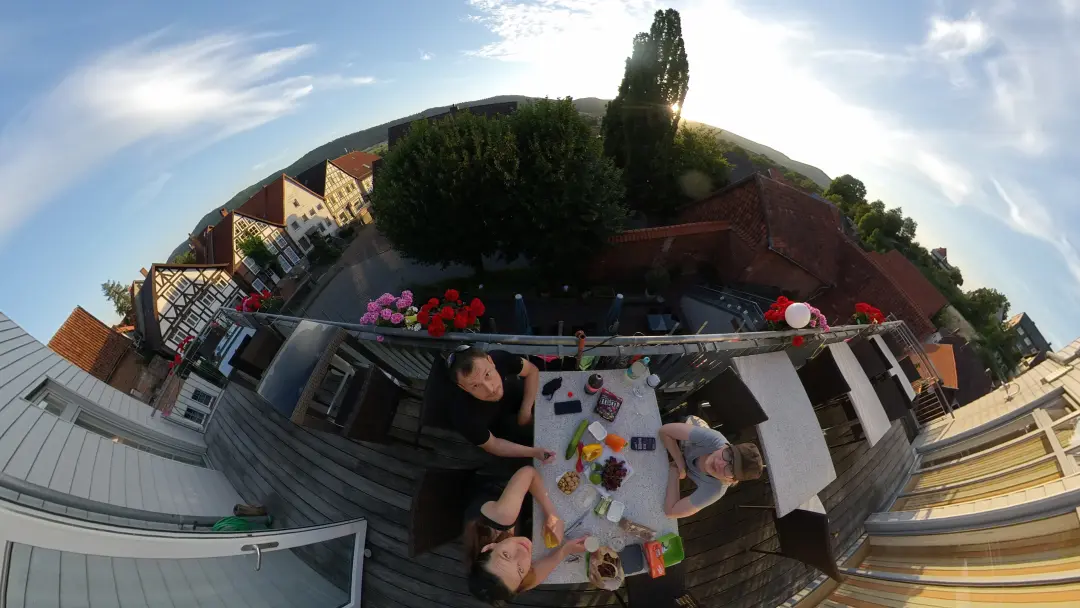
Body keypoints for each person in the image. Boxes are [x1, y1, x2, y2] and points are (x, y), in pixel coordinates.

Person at [464, 466, 589, 605]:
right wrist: (566, 550)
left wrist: (551, 513)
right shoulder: (507, 581)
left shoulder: (502, 517)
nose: (522, 554)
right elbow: (533, 577)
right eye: (520, 570)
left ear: (489, 547)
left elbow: (528, 473)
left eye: (506, 555)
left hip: (496, 483)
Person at [445, 347, 555, 462]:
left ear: (490, 361)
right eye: (475, 386)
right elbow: (494, 445)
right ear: (463, 387)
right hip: (503, 432)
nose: (490, 389)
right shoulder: (463, 416)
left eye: (487, 374)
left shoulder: (500, 358)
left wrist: (525, 410)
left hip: (524, 398)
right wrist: (534, 452)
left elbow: (532, 371)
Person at [658, 416, 764, 518]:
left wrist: (674, 473)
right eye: (728, 455)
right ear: (727, 446)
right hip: (685, 431)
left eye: (730, 469)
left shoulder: (715, 490)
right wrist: (680, 464)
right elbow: (665, 431)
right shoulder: (713, 439)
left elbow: (671, 512)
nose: (721, 464)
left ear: (731, 480)